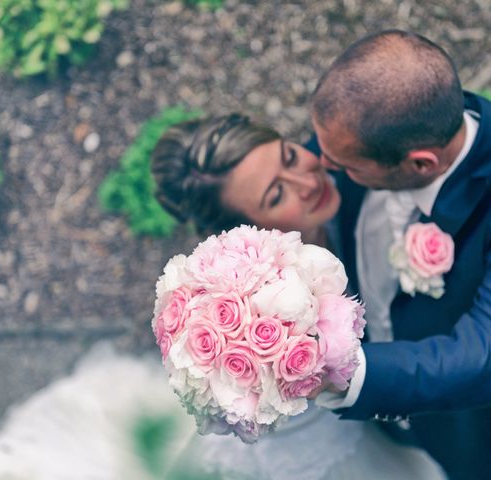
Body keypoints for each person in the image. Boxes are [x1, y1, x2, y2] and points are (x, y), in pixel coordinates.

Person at [308, 29, 491, 479]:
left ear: (421, 164)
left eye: (345, 167)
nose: (320, 168)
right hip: (379, 427)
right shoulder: (367, 128)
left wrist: (346, 372)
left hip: (481, 429)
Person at [149, 113, 447, 480]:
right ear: (246, 230)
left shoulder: (352, 169)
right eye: (277, 194)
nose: (308, 180)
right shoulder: (262, 309)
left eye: (289, 157)